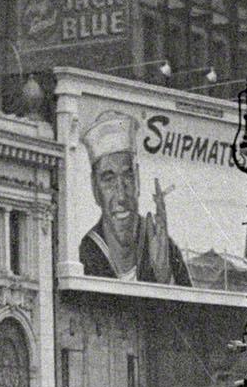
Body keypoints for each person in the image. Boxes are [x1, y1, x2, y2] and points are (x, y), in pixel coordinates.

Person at [76, 107, 191, 285]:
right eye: (109, 180)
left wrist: (165, 276)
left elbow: (190, 301)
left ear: (137, 180)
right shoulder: (88, 252)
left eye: (128, 177)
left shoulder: (163, 247)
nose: (121, 196)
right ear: (95, 188)